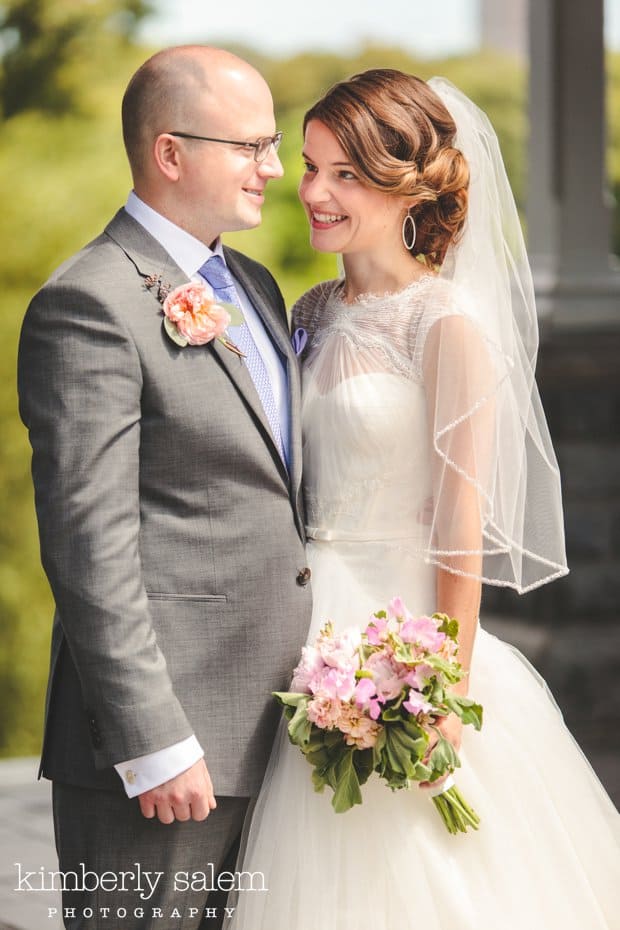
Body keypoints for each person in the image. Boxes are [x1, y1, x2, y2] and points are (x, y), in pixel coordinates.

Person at [227, 69, 620, 929]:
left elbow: (457, 528)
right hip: (297, 634)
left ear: (406, 186)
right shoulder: (305, 310)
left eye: (346, 174)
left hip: (395, 640)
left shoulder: (445, 324)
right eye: (310, 165)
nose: (316, 192)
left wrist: (438, 686)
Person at [17, 46, 312, 930]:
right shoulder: (91, 304)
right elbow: (88, 547)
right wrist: (152, 740)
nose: (274, 168)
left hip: (282, 739)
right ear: (171, 153)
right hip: (164, 759)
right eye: (251, 146)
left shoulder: (254, 285)